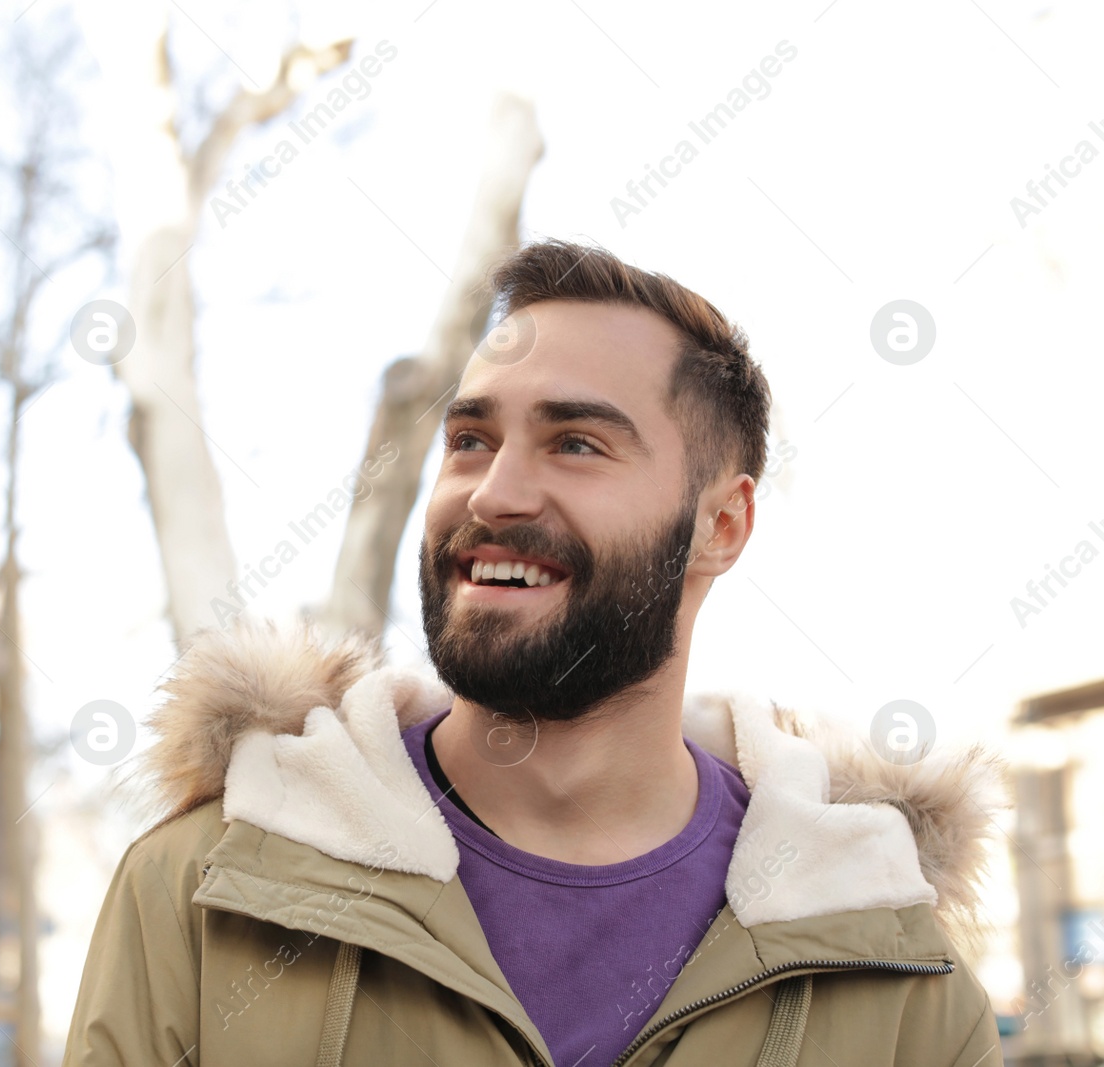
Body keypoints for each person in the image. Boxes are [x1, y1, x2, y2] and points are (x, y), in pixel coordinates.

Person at [62, 240, 1006, 1067]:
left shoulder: (892, 970)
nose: (493, 493)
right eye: (471, 439)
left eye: (577, 443)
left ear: (721, 524)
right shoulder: (205, 890)